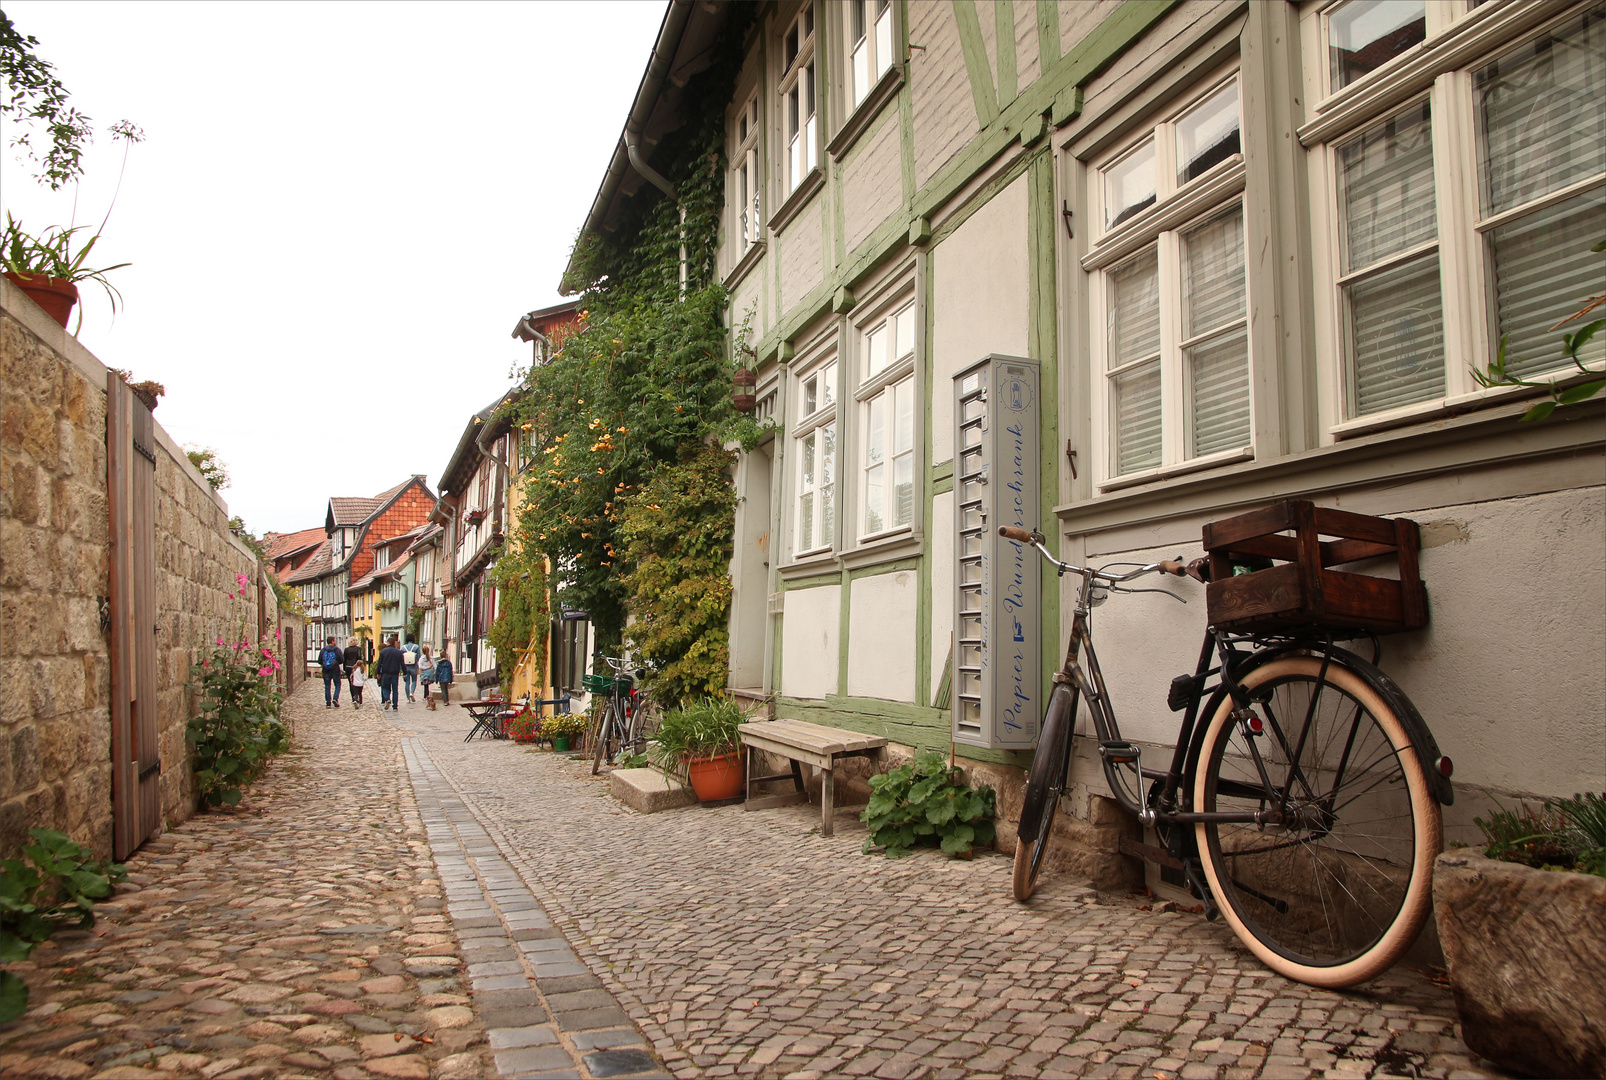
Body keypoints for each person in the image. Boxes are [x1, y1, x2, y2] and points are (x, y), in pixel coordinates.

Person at [377, 636, 404, 711]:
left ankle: (387, 699)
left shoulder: (383, 652)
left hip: (386, 672)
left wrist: (378, 672)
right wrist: (404, 672)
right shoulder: (398, 652)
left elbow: (379, 663)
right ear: (394, 643)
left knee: (385, 687)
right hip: (395, 673)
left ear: (388, 643)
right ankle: (395, 706)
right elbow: (402, 663)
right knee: (395, 689)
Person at [318, 637, 343, 707]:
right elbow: (341, 660)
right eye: (334, 640)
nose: (335, 642)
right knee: (337, 684)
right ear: (332, 641)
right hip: (335, 670)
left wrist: (325, 664)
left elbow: (319, 661)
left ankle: (328, 702)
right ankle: (335, 698)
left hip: (326, 670)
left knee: (327, 686)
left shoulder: (323, 650)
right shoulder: (337, 650)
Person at [342, 637, 364, 709]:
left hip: (348, 667)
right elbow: (359, 657)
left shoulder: (346, 649)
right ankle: (357, 696)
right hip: (355, 667)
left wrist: (344, 668)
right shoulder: (358, 649)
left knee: (351, 682)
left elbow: (344, 659)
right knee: (357, 682)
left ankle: (353, 697)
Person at [402, 637, 421, 703]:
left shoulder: (403, 648)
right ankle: (412, 692)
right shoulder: (416, 647)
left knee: (407, 682)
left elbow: (401, 658)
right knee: (414, 680)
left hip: (405, 667)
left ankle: (407, 698)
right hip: (413, 666)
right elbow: (419, 657)